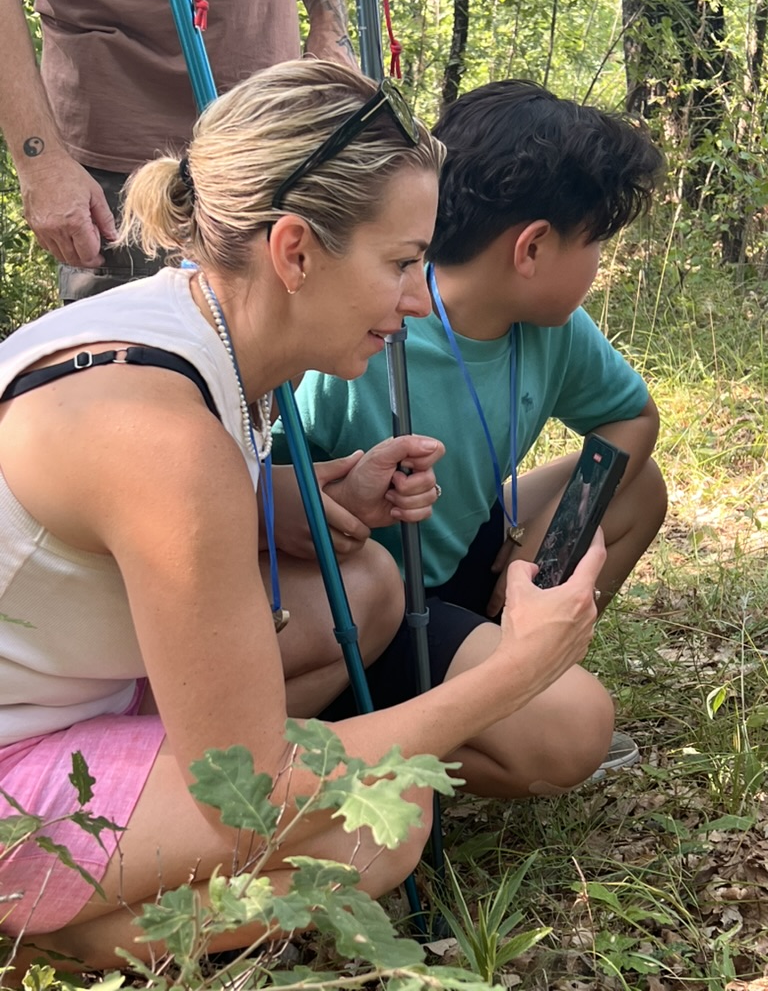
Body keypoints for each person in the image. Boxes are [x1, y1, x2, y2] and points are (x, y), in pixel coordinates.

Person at [0, 61, 607, 972]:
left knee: (365, 583)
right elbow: (251, 793)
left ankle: (113, 860)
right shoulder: (161, 440)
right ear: (294, 252)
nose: (418, 299)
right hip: (21, 759)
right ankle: (52, 930)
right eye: (401, 262)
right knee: (379, 824)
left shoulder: (182, 325)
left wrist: (303, 493)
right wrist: (518, 669)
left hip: (76, 686)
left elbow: (92, 527)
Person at [274, 78, 668, 771]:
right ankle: (376, 741)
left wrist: (546, 546)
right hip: (368, 608)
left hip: (465, 556)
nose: (598, 265)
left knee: (638, 487)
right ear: (532, 248)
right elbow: (271, 493)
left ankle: (515, 676)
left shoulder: (554, 329)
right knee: (572, 735)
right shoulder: (365, 334)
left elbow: (631, 417)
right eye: (595, 243)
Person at [0, 0, 356, 301]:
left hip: (279, 137)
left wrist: (330, 29)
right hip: (125, 168)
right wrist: (40, 164)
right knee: (143, 346)